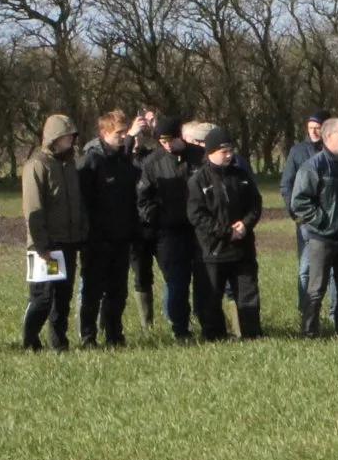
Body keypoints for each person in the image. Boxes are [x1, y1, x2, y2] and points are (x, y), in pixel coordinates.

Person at [290, 116, 338, 337]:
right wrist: (323, 222)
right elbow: (300, 202)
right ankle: (309, 332)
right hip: (321, 239)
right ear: (329, 136)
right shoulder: (313, 166)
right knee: (315, 289)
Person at [20, 114, 88, 352]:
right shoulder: (37, 165)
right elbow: (33, 207)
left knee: (63, 296)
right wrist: (41, 245)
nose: (70, 139)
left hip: (68, 241)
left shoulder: (70, 164)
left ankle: (58, 341)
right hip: (47, 245)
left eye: (72, 135)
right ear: (54, 138)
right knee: (43, 297)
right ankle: (29, 339)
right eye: (65, 135)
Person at [188, 126, 263, 340]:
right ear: (210, 152)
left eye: (231, 150)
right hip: (213, 250)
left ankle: (251, 334)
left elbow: (255, 204)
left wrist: (245, 225)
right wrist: (225, 232)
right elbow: (197, 215)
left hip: (242, 248)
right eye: (224, 151)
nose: (229, 155)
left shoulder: (242, 176)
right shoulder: (198, 181)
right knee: (211, 297)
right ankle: (214, 336)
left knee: (247, 294)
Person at [78, 109, 141, 348]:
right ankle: (88, 336)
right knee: (93, 291)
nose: (124, 136)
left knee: (118, 291)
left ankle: (114, 334)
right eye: (119, 133)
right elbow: (83, 203)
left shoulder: (124, 161)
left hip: (121, 237)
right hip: (96, 240)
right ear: (104, 133)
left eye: (126, 132)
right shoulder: (91, 162)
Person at [137, 119, 199, 342]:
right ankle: (180, 329)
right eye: (162, 141)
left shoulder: (197, 156)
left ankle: (209, 323)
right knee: (176, 281)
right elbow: (143, 199)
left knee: (204, 279)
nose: (168, 145)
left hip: (199, 229)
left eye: (171, 140)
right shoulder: (152, 162)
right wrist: (157, 219)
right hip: (168, 232)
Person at [278, 111, 327, 319]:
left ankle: (335, 315)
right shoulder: (297, 151)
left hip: (331, 218)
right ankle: (305, 312)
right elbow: (286, 184)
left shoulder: (335, 150)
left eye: (318, 127)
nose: (314, 132)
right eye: (310, 127)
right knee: (306, 267)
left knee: (332, 271)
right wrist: (296, 213)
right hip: (306, 220)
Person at [128, 106, 162, 326]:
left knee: (170, 271)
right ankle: (146, 323)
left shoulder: (152, 157)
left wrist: (155, 126)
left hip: (156, 223)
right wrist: (129, 138)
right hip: (133, 225)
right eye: (135, 135)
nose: (139, 138)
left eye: (142, 134)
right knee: (141, 274)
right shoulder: (121, 159)